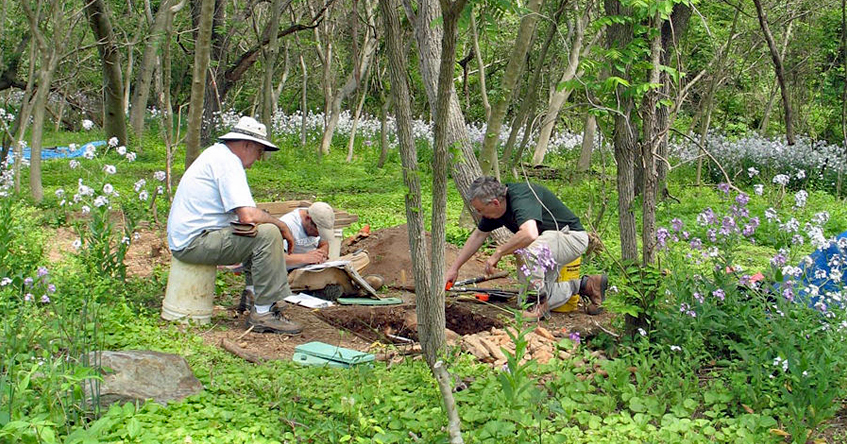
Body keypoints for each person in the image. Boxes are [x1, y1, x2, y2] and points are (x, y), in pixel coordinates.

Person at [166, 116, 302, 334]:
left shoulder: (217, 155)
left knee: (255, 231)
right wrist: (281, 225)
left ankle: (253, 294)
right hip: (194, 242)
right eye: (259, 152)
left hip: (192, 237)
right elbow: (248, 214)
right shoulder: (228, 162)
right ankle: (264, 313)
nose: (258, 159)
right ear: (247, 145)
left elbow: (244, 218)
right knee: (268, 234)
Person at [445, 176, 608, 320]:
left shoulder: (521, 196)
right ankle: (586, 285)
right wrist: (454, 268)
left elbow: (530, 234)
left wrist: (499, 252)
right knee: (525, 301)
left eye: (480, 210)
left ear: (495, 202)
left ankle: (538, 305)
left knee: (528, 251)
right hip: (547, 245)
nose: (480, 214)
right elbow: (478, 236)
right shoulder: (495, 210)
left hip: (570, 237)